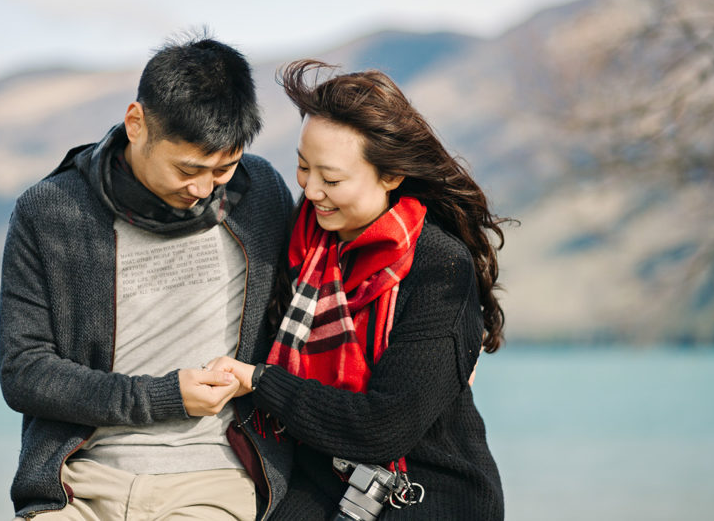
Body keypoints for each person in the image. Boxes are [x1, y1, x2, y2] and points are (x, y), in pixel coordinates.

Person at [0, 35, 294, 520]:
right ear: (136, 124)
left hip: (216, 481)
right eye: (187, 168)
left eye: (223, 169)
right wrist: (165, 397)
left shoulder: (261, 194)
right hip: (78, 481)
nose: (201, 190)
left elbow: (336, 277)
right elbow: (24, 372)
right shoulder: (51, 211)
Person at [207, 60, 508, 519]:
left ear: (391, 176)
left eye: (332, 179)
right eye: (303, 168)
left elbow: (383, 429)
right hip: (323, 479)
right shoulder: (302, 240)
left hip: (424, 491)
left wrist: (260, 381)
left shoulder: (438, 266)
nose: (310, 191)